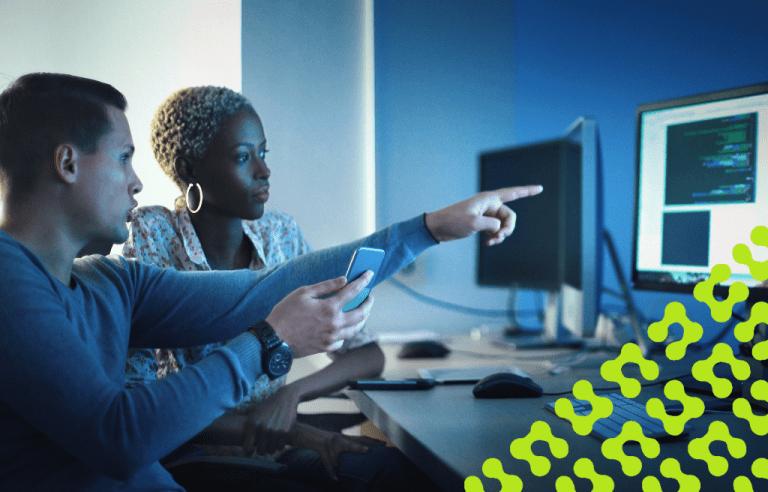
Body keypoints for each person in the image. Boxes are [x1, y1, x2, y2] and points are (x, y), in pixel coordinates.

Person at [0, 72, 542, 491]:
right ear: (67, 163)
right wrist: (270, 342)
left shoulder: (111, 282)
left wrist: (429, 229)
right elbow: (119, 437)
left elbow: (265, 289)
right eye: (123, 159)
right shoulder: (8, 279)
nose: (137, 181)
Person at [122, 86, 394, 489]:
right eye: (242, 157)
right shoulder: (153, 233)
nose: (264, 171)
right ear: (189, 169)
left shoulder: (280, 233)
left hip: (276, 447)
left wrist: (289, 396)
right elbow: (142, 408)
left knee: (396, 471)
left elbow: (367, 354)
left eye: (263, 153)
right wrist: (296, 432)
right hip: (194, 457)